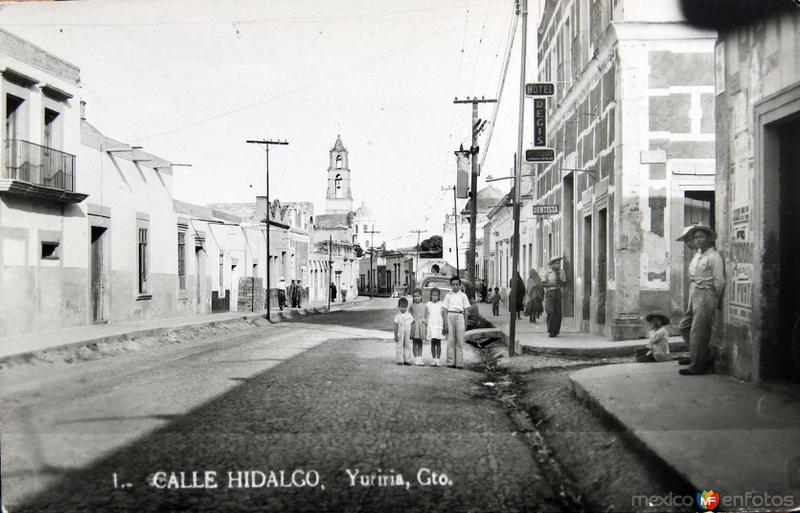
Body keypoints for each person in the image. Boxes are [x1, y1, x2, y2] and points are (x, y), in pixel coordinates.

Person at [676, 225, 725, 376]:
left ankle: (697, 366)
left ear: (709, 239)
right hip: (695, 291)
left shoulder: (714, 257)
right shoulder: (697, 255)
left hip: (706, 293)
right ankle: (698, 355)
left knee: (699, 332)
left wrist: (715, 299)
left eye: (701, 237)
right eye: (696, 237)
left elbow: (719, 281)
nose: (697, 240)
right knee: (684, 326)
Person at [442, 276, 470, 369]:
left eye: (457, 284)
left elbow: (466, 310)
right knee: (450, 340)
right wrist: (445, 323)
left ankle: (459, 362)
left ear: (460, 285)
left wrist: (466, 322)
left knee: (460, 340)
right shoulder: (448, 296)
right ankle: (450, 362)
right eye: (453, 284)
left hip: (460, 316)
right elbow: (445, 310)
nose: (455, 286)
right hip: (450, 315)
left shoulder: (463, 296)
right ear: (451, 285)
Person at [542, 257, 567, 337]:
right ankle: (550, 330)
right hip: (550, 293)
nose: (558, 265)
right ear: (552, 264)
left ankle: (556, 330)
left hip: (558, 292)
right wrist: (552, 285)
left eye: (559, 263)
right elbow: (543, 284)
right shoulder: (547, 273)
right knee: (551, 311)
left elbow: (564, 283)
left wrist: (560, 280)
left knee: (558, 312)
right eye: (556, 263)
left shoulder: (562, 272)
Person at [425, 287, 445, 367]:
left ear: (439, 296)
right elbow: (427, 315)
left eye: (436, 295)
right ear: (430, 296)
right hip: (431, 325)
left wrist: (444, 325)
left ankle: (438, 360)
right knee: (433, 343)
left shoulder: (441, 304)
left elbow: (443, 315)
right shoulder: (428, 304)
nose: (435, 297)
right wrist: (426, 324)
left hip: (439, 325)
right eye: (433, 295)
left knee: (439, 343)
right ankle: (434, 360)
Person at [409, 288, 427, 366]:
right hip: (414, 325)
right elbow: (409, 315)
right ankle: (416, 358)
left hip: (421, 325)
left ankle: (420, 358)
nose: (416, 298)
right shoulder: (412, 306)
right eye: (415, 296)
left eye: (418, 296)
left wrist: (425, 321)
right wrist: (411, 320)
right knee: (415, 342)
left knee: (420, 342)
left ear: (421, 296)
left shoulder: (424, 306)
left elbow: (427, 315)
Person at [394, 297, 414, 366]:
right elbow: (395, 326)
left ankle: (407, 359)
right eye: (401, 307)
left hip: (407, 333)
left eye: (405, 307)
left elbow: (412, 324)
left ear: (407, 307)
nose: (403, 309)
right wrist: (395, 335)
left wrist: (412, 333)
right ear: (398, 307)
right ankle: (400, 360)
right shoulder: (397, 316)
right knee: (399, 346)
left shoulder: (409, 315)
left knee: (407, 345)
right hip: (400, 333)